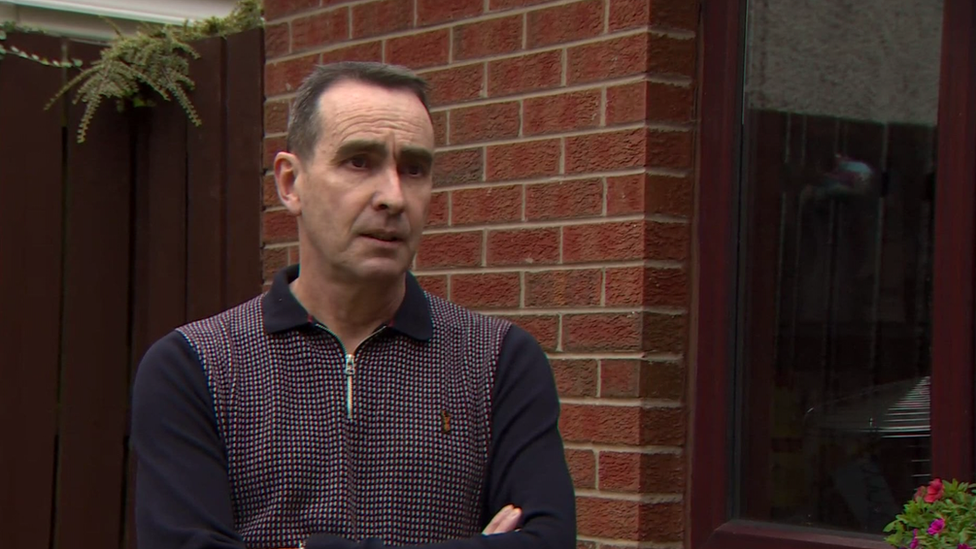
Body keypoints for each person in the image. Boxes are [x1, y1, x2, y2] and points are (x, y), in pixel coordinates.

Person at [130, 61, 577, 549]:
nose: (393, 196)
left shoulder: (499, 362)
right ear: (289, 183)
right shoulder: (195, 367)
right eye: (358, 162)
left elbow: (549, 540)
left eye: (414, 168)